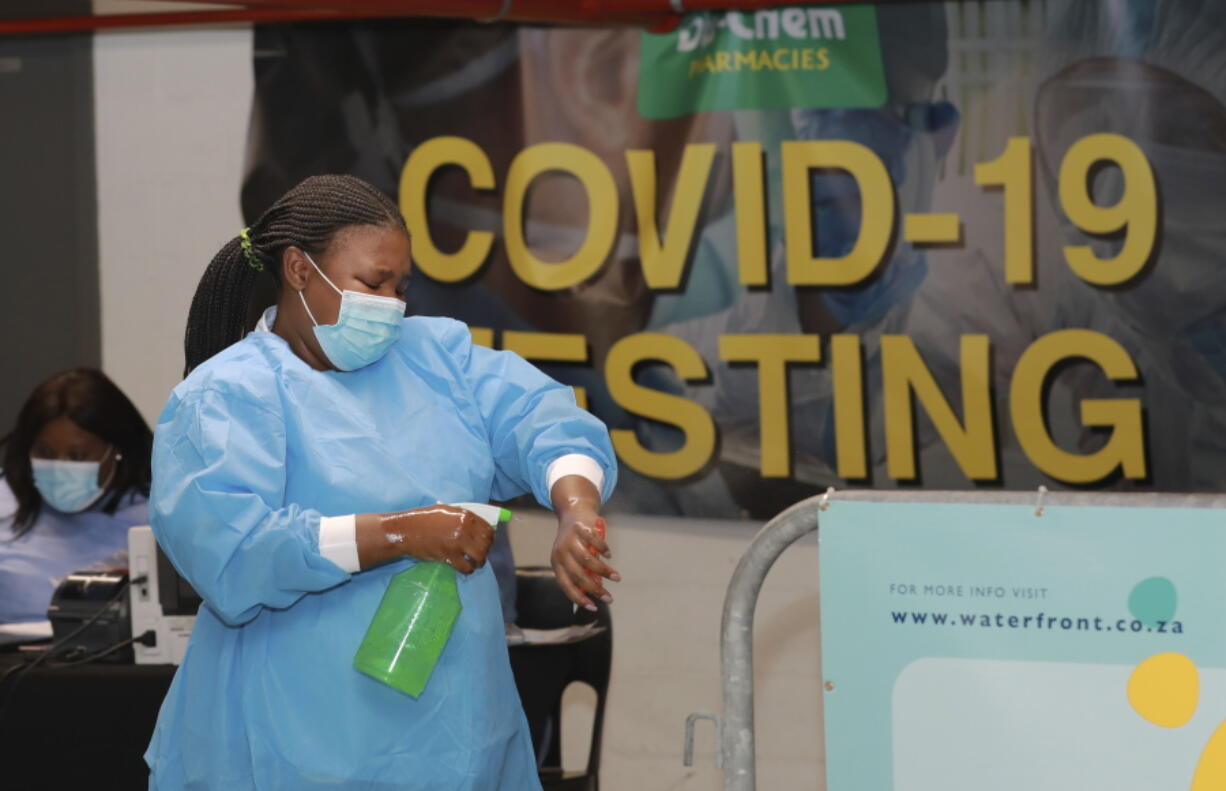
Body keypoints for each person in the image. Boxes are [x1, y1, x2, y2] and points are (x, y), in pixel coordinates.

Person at [145, 174, 619, 790]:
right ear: (298, 269)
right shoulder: (228, 394)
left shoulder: (434, 357)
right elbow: (231, 552)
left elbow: (542, 418)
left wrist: (576, 509)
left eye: (402, 287)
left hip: (452, 730)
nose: (391, 304)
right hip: (294, 732)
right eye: (373, 283)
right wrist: (400, 534)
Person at [0, 368, 152, 624]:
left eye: (77, 456)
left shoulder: (158, 511)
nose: (59, 466)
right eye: (45, 453)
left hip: (122, 660)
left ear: (116, 451)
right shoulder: (6, 499)